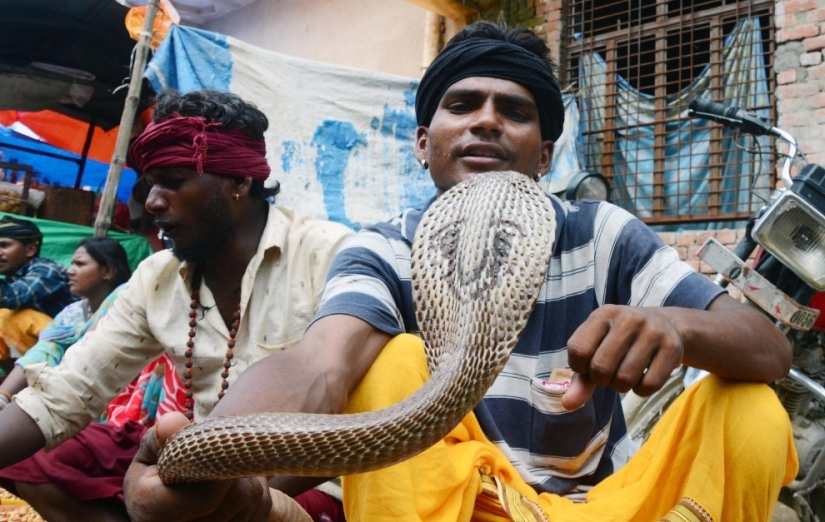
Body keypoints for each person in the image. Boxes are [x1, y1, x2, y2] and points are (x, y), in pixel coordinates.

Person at [124, 23, 797, 522]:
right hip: (463, 505)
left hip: (604, 506)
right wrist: (207, 448)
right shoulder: (386, 248)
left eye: (515, 111)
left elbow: (767, 347)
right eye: (462, 105)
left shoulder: (602, 233)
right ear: (423, 144)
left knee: (747, 404)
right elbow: (319, 365)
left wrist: (673, 324)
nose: (485, 122)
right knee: (395, 362)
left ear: (545, 155)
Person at [0, 89, 354, 521]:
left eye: (173, 181)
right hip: (195, 464)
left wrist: (222, 493)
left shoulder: (330, 253)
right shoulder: (158, 277)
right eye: (151, 182)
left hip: (309, 480)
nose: (151, 202)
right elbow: (68, 393)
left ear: (240, 182)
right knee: (33, 457)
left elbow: (360, 416)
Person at [0, 236, 175, 522]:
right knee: (22, 453)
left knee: (36, 455)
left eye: (80, 264)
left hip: (133, 414)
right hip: (73, 401)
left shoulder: (131, 294)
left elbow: (86, 375)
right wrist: (4, 397)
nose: (69, 270)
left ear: (107, 271)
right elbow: (48, 352)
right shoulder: (73, 311)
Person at [0, 215, 74, 373]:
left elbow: (13, 296)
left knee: (9, 316)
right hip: (39, 352)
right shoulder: (12, 278)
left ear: (30, 249)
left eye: (4, 245)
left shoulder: (47, 270)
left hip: (68, 352)